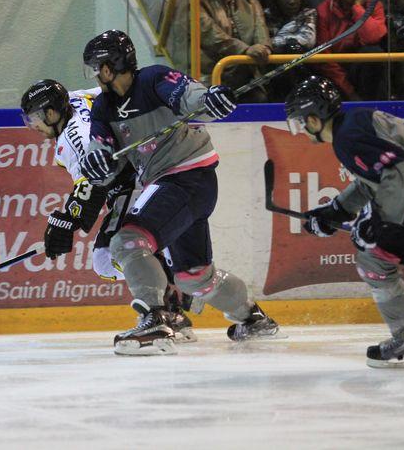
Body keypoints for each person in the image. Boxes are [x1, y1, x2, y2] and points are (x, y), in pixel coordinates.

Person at [79, 29, 279, 356]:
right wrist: (96, 162)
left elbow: (188, 96)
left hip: (187, 176)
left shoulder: (153, 79)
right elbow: (99, 148)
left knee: (127, 241)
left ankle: (156, 318)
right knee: (193, 276)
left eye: (95, 68)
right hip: (174, 185)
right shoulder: (103, 108)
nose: (95, 76)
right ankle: (253, 319)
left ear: (108, 67)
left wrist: (209, 100)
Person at [285, 75, 404, 368]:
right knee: (374, 262)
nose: (301, 129)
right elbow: (376, 179)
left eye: (300, 121)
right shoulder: (351, 127)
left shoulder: (348, 137)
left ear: (313, 118)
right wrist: (336, 210)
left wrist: (383, 221)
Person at [20, 79, 197, 343]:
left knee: (107, 256)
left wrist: (65, 222)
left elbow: (92, 185)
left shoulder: (73, 136)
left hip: (135, 181)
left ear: (51, 113)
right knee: (113, 254)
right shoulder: (75, 97)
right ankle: (173, 296)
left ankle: (169, 301)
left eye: (35, 117)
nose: (32, 125)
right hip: (142, 173)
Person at [200, 0, 273, 103]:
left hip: (245, 68)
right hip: (211, 73)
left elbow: (259, 23)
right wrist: (245, 50)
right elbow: (211, 35)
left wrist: (264, 47)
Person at [313, 0, 388, 100]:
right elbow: (325, 58)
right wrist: (350, 92)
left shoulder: (374, 6)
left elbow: (372, 38)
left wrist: (357, 9)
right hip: (335, 73)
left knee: (372, 54)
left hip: (364, 73)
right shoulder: (324, 10)